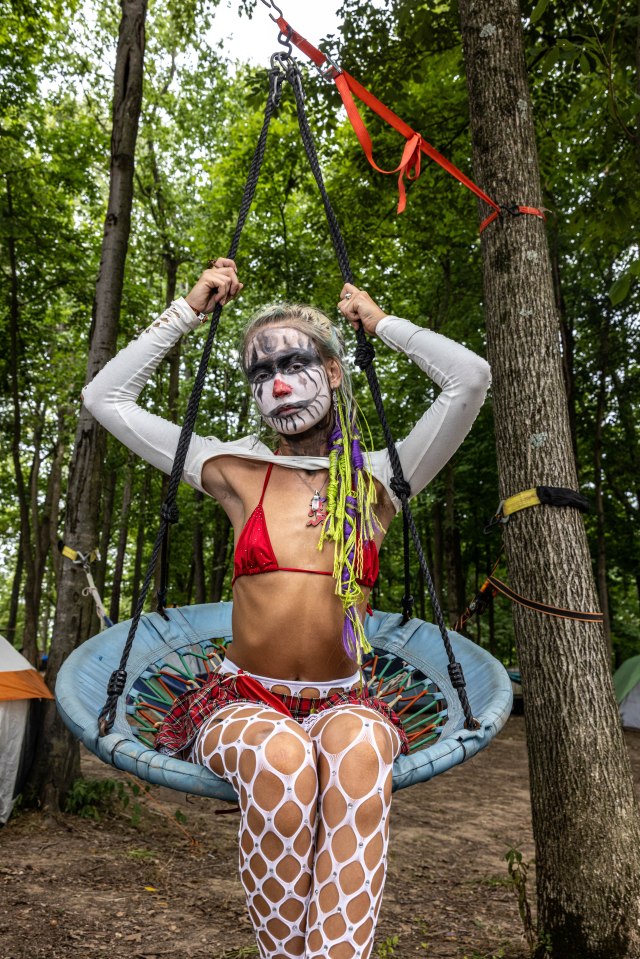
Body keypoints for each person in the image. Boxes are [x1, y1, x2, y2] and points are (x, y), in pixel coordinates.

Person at [82, 257, 491, 959]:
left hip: (346, 698)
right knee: (279, 756)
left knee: (357, 749)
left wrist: (383, 323)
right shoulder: (231, 468)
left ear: (333, 372)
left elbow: (471, 378)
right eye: (258, 372)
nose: (276, 383)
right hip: (242, 700)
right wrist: (188, 310)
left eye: (294, 361)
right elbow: (104, 396)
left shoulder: (380, 477)